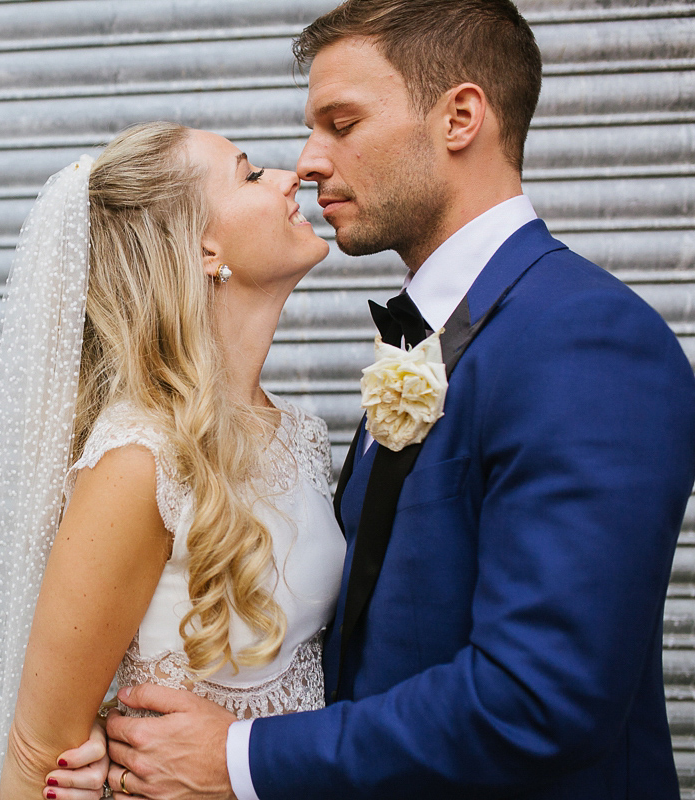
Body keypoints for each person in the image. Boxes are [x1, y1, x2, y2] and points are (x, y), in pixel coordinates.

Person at [56, 1, 695, 798]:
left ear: (460, 117)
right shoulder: (425, 340)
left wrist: (239, 758)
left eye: (342, 122)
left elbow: (541, 696)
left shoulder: (583, 339)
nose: (309, 161)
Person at [0, 121, 347, 800]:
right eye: (251, 175)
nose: (294, 178)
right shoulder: (141, 458)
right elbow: (37, 754)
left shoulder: (301, 433)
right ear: (203, 247)